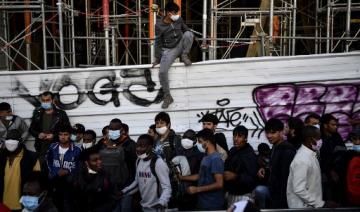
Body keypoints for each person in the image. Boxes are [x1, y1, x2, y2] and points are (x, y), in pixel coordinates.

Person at [152, 0, 194, 109]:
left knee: (189, 34)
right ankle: (168, 96)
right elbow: (158, 42)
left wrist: (189, 39)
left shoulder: (179, 19)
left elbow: (186, 30)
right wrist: (158, 58)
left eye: (177, 13)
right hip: (169, 49)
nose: (177, 15)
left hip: (181, 45)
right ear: (168, 13)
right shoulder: (159, 25)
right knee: (162, 71)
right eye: (174, 13)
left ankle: (184, 55)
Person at [287, 126, 337, 208]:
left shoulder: (311, 155)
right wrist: (321, 204)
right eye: (319, 138)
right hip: (302, 207)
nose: (321, 141)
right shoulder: (302, 159)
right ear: (310, 140)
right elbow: (299, 189)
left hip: (311, 206)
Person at [121, 134, 172, 212]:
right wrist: (123, 191)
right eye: (137, 146)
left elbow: (167, 187)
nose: (138, 149)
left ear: (150, 147)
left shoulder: (158, 163)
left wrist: (162, 202)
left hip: (157, 208)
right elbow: (137, 182)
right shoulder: (138, 161)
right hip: (144, 207)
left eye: (142, 146)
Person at [180, 129, 225, 210]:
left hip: (213, 204)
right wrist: (182, 177)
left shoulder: (215, 159)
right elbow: (200, 175)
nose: (198, 144)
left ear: (207, 142)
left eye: (200, 141)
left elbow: (219, 184)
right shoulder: (205, 157)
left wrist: (197, 189)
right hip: (203, 203)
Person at [257, 118, 296, 209]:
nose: (269, 136)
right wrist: (265, 170)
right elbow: (275, 169)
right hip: (273, 193)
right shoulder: (275, 147)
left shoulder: (287, 151)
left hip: (282, 199)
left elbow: (286, 179)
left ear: (281, 132)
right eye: (267, 132)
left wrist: (281, 205)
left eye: (273, 132)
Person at [0, 129, 41, 211]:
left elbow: (38, 182)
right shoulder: (1, 157)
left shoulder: (31, 158)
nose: (11, 143)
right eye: (8, 140)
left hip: (23, 205)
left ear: (20, 141)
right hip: (3, 205)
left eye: (13, 140)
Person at [29, 91, 70, 168]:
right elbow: (31, 129)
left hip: (57, 149)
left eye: (47, 100)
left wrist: (54, 136)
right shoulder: (37, 114)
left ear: (53, 100)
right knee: (43, 172)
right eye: (43, 100)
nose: (45, 102)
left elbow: (67, 130)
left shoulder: (61, 114)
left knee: (56, 172)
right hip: (41, 149)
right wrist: (38, 134)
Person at [46, 124, 81, 212]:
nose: (63, 137)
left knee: (69, 206)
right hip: (55, 181)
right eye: (61, 134)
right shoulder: (52, 147)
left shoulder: (77, 149)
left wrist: (69, 170)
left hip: (70, 183)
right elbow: (48, 161)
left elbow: (80, 166)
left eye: (66, 134)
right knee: (56, 204)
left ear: (70, 136)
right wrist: (55, 172)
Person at [98, 119, 129, 212]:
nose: (112, 131)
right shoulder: (102, 144)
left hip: (124, 187)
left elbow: (133, 167)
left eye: (115, 129)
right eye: (111, 129)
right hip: (107, 188)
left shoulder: (129, 144)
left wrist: (126, 188)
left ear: (121, 130)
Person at [74, 146, 116, 212]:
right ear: (86, 163)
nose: (99, 162)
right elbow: (70, 199)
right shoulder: (76, 176)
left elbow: (113, 197)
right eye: (95, 160)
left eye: (100, 159)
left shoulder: (106, 176)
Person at [224, 126, 258, 207]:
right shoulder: (233, 150)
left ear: (245, 138)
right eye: (234, 136)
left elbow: (252, 179)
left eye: (239, 136)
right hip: (232, 194)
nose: (236, 139)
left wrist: (236, 176)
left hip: (245, 195)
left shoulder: (249, 154)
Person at [319, 114, 345, 202]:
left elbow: (342, 155)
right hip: (322, 176)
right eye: (333, 125)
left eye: (336, 125)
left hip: (337, 175)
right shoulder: (318, 138)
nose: (335, 127)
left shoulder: (337, 137)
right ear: (325, 125)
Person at [113, 123, 137, 212]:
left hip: (127, 183)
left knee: (125, 208)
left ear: (124, 131)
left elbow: (134, 165)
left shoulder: (131, 145)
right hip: (116, 184)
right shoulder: (113, 144)